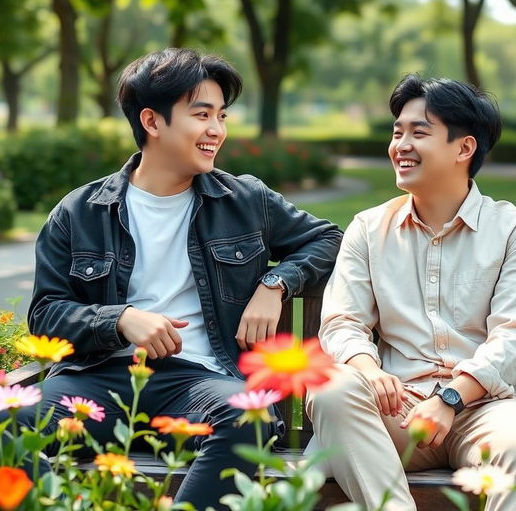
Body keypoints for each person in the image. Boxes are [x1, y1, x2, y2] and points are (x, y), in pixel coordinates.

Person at [21, 48, 342, 510]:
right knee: (7, 425)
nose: (217, 130)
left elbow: (329, 238)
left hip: (200, 381)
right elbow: (46, 314)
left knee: (247, 416)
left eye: (222, 116)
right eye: (202, 114)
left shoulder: (245, 199)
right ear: (152, 122)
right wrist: (120, 320)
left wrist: (276, 284)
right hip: (97, 382)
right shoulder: (79, 212)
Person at [306, 75, 516, 511]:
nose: (401, 145)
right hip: (398, 409)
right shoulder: (368, 229)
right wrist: (369, 371)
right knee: (332, 388)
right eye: (397, 131)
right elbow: (342, 323)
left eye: (419, 133)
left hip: (493, 408)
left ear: (464, 148)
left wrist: (451, 397)